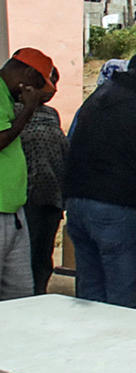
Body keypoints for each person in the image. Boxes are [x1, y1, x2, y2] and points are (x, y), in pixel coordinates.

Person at [63, 41, 136, 308]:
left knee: (89, 296)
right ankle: (118, 347)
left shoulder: (97, 98)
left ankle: (88, 346)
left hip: (78, 204)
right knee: (121, 299)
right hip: (117, 209)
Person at [1, 48, 57, 300]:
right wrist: (28, 109)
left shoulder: (7, 97)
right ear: (26, 72)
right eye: (36, 83)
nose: (34, 91)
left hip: (13, 209)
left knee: (21, 294)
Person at [19, 58, 68, 295]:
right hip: (24, 197)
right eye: (48, 84)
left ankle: (39, 297)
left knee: (42, 258)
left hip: (50, 197)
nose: (52, 90)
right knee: (22, 260)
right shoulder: (15, 113)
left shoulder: (51, 114)